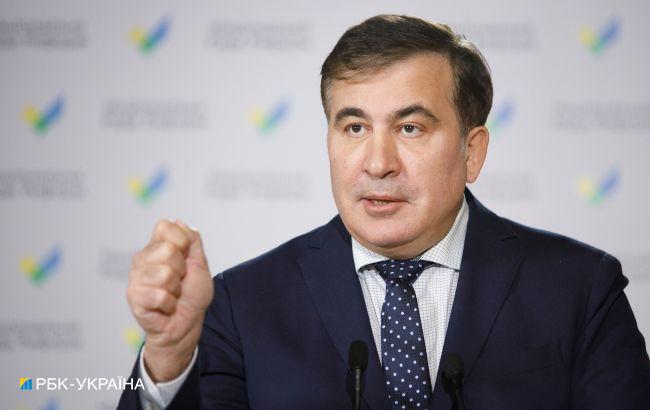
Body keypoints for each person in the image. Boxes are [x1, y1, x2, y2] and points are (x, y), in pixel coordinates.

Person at [118, 14, 650, 409]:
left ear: (472, 151)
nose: (377, 163)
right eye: (354, 127)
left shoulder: (580, 289)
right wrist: (168, 356)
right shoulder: (241, 303)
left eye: (410, 128)